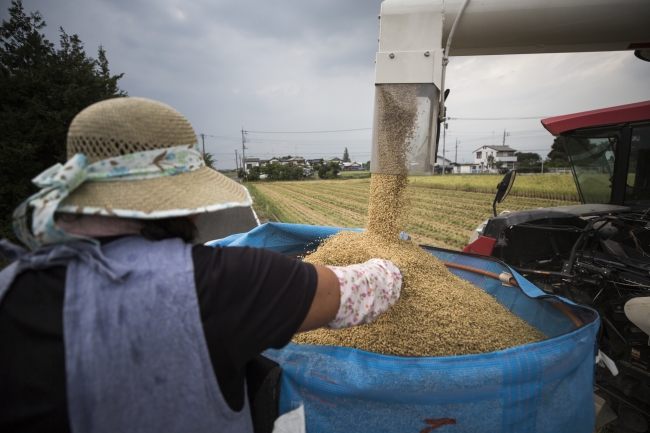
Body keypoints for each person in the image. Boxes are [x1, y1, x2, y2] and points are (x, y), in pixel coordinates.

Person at [0, 97, 402, 433]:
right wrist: (395, 261)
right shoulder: (223, 282)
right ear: (185, 202)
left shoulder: (13, 283)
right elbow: (362, 290)